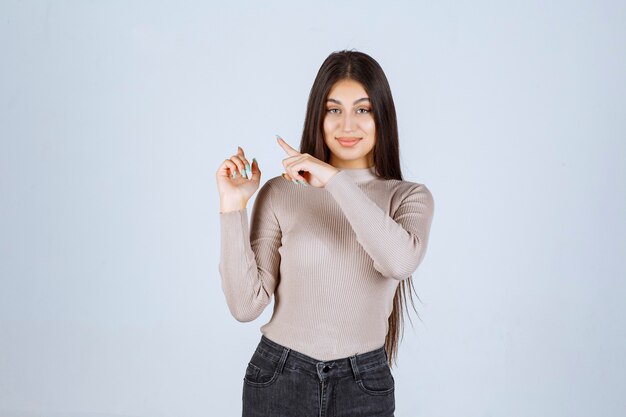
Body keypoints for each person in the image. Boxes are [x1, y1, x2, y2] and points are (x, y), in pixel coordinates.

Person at [215, 50, 434, 417]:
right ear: (318, 115)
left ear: (382, 116)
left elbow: (398, 262)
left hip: (364, 383)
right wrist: (232, 206)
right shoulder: (281, 192)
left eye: (362, 109)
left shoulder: (408, 197)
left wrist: (335, 180)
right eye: (334, 110)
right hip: (279, 377)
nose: (348, 124)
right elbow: (245, 305)